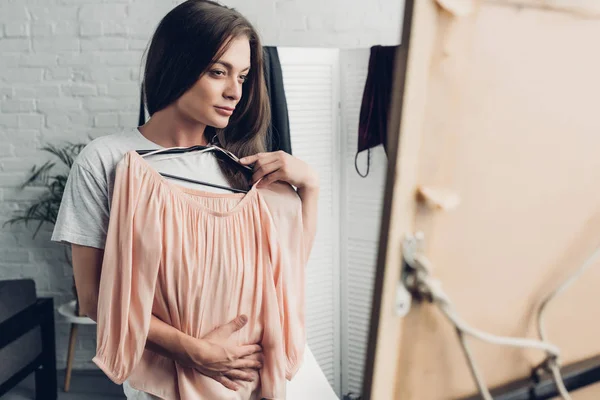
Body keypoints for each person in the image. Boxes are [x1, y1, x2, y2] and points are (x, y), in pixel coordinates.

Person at [51, 1, 320, 398]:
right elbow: (92, 299)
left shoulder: (241, 170)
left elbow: (286, 272)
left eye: (243, 77)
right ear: (177, 64)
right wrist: (196, 352)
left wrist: (310, 187)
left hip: (251, 381)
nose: (234, 91)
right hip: (164, 387)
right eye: (218, 71)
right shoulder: (107, 160)